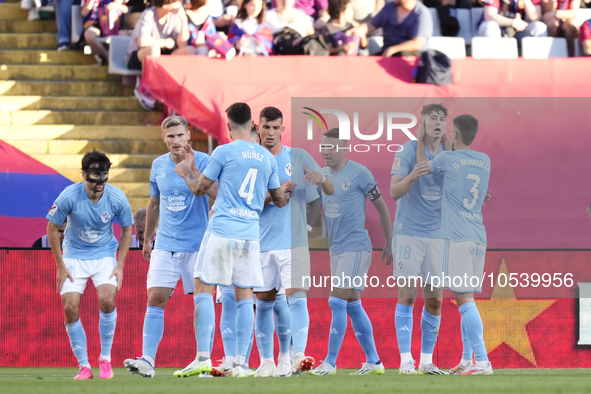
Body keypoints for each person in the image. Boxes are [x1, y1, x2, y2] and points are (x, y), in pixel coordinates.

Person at [172, 102, 292, 378]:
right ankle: (240, 363)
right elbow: (279, 201)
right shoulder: (267, 157)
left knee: (202, 285)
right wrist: (286, 190)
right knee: (244, 294)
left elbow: (200, 189)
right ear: (253, 124)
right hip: (251, 236)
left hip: (223, 229)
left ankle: (203, 356)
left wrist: (188, 170)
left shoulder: (224, 151)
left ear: (228, 126)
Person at [124, 115, 216, 378]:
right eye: (170, 136)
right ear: (163, 138)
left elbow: (215, 194)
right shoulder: (157, 166)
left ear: (188, 135)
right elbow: (154, 203)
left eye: (180, 135)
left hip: (198, 244)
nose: (176, 140)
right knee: (155, 298)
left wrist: (191, 171)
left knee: (202, 299)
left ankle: (204, 359)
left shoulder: (205, 161)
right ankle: (148, 360)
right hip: (165, 243)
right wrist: (148, 238)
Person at [252, 107, 335, 378]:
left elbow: (316, 200)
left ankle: (299, 354)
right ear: (258, 128)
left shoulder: (297, 157)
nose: (271, 133)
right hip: (261, 242)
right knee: (263, 303)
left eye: (276, 128)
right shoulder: (252, 160)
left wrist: (307, 228)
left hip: (295, 243)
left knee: (297, 299)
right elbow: (246, 202)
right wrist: (275, 194)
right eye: (266, 127)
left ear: (283, 129)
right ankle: (266, 361)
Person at [308, 128, 391, 376]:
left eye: (331, 148)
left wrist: (390, 241)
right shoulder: (321, 175)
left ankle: (330, 363)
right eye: (323, 148)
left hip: (356, 246)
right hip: (336, 250)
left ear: (344, 149)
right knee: (352, 305)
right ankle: (374, 361)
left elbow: (382, 206)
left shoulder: (360, 173)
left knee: (336, 301)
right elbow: (313, 206)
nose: (326, 153)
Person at [47, 150, 133, 379]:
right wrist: (60, 265)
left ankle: (105, 360)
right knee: (70, 307)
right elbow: (51, 227)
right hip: (74, 256)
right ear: (84, 174)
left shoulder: (116, 197)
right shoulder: (69, 195)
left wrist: (120, 264)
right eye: (95, 175)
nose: (100, 182)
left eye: (104, 175)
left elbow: (127, 229)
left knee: (107, 299)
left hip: (104, 255)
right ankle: (84, 366)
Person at [426, 114, 493, 375]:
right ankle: (467, 359)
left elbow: (426, 170)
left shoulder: (445, 159)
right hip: (478, 234)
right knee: (464, 298)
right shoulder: (485, 161)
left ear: (453, 134)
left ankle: (484, 362)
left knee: (465, 300)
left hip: (458, 238)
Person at [389, 104, 450, 375]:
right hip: (408, 232)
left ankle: (426, 361)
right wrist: (413, 174)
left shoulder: (450, 156)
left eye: (441, 119)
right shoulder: (407, 150)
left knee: (435, 300)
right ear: (422, 123)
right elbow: (393, 192)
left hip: (437, 235)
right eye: (432, 118)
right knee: (407, 296)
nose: (437, 123)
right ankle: (405, 361)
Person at [125, 0, 194, 110]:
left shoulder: (174, 16)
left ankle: (183, 91)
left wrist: (184, 20)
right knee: (154, 50)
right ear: (166, 3)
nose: (180, 4)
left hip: (163, 56)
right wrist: (165, 42)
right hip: (140, 56)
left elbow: (182, 44)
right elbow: (142, 41)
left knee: (189, 51)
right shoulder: (148, 14)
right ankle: (146, 89)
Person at [352, 0, 432, 57]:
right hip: (387, 53)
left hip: (413, 57)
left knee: (400, 54)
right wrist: (357, 31)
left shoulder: (422, 13)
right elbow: (370, 26)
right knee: (368, 63)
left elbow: (417, 43)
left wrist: (393, 49)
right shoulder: (389, 7)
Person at [477, 0, 547, 40]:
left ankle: (538, 63)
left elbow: (536, 17)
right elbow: (489, 16)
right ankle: (494, 62)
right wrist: (513, 22)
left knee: (540, 27)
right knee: (490, 26)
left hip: (517, 32)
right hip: (494, 30)